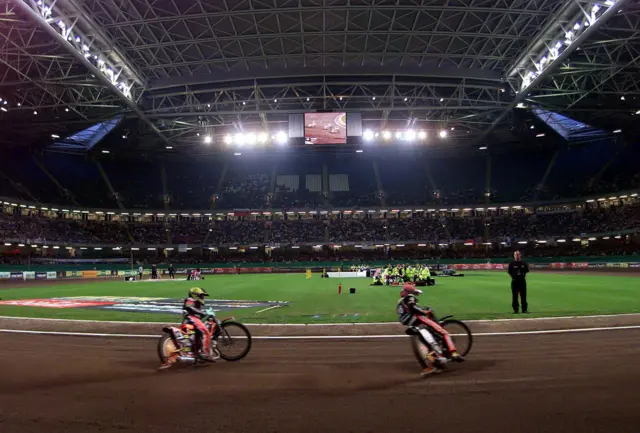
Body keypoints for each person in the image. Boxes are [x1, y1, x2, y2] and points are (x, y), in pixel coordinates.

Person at [396, 284, 463, 376]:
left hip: (411, 325)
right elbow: (413, 307)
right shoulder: (409, 297)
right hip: (419, 319)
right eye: (415, 293)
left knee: (426, 346)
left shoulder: (399, 303)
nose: (416, 295)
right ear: (410, 292)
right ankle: (454, 352)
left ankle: (433, 364)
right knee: (444, 333)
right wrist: (425, 312)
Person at [183, 287, 218, 361]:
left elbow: (198, 313)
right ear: (196, 295)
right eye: (201, 296)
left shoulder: (196, 304)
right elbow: (190, 308)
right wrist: (203, 313)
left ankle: (198, 352)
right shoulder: (190, 299)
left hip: (192, 321)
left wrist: (206, 315)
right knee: (205, 331)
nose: (203, 298)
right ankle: (205, 353)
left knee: (203, 330)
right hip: (190, 320)